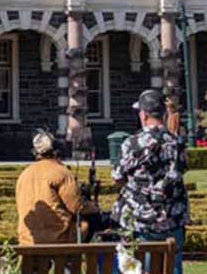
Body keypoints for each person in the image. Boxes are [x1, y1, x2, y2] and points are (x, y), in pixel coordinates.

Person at [112, 89, 189, 274]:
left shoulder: (133, 143)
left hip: (140, 221)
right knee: (172, 266)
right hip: (172, 219)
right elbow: (181, 170)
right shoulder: (177, 143)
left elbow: (117, 177)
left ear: (143, 115)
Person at [15, 130, 96, 245]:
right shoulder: (61, 172)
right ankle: (79, 261)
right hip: (58, 238)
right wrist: (94, 207)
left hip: (27, 239)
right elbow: (77, 207)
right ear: (57, 152)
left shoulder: (24, 174)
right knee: (89, 223)